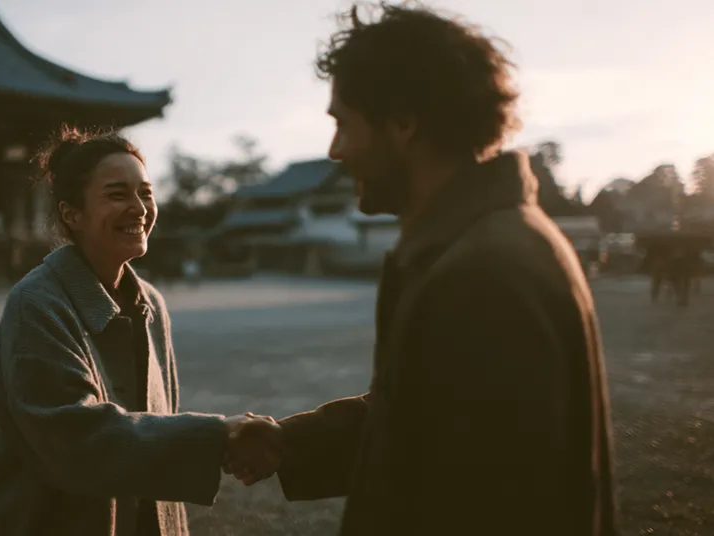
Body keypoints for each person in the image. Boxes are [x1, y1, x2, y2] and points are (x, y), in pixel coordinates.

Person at [226, 3, 618, 535]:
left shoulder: (486, 269)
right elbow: (428, 419)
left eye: (343, 124)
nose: (335, 151)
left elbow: (505, 498)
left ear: (403, 123)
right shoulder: (480, 243)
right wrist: (294, 442)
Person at [0, 126, 271, 536]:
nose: (139, 208)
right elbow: (74, 439)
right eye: (117, 195)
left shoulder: (151, 303)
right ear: (71, 214)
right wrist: (218, 436)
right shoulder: (36, 304)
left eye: (146, 193)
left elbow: (157, 424)